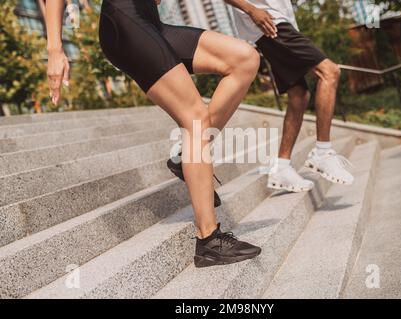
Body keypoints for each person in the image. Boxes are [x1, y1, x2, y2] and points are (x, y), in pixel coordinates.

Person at [45, 0, 262, 268]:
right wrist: (55, 48)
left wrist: (250, 8)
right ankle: (208, 240)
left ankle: (187, 159)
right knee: (195, 118)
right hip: (125, 21)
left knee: (245, 58)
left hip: (151, 21)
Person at [225, 0, 354, 191]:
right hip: (269, 22)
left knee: (299, 94)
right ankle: (323, 153)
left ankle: (282, 168)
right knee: (330, 72)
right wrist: (251, 9)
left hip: (276, 22)